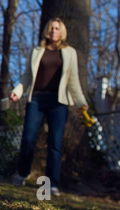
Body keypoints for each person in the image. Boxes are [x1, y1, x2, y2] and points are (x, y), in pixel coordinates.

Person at [9, 18, 89, 196]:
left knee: (55, 143)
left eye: (57, 28)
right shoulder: (37, 51)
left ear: (62, 32)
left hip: (58, 103)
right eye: (52, 28)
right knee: (28, 139)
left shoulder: (69, 53)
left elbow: (73, 81)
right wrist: (17, 91)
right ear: (47, 30)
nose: (54, 31)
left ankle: (52, 184)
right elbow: (26, 77)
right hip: (36, 99)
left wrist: (81, 102)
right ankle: (22, 174)